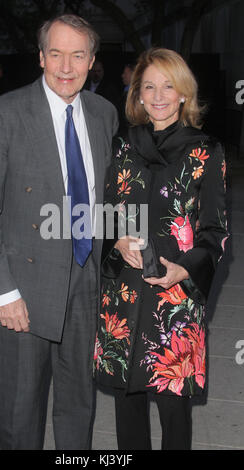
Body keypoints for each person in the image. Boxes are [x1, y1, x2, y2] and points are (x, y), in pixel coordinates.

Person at [0, 14, 118, 450]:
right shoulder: (5, 114)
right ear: (40, 58)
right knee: (19, 407)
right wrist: (3, 293)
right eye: (56, 54)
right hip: (25, 288)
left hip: (86, 278)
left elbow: (104, 195)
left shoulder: (104, 114)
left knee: (78, 401)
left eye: (77, 55)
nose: (66, 67)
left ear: (92, 61)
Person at [94, 47, 228, 450]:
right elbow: (105, 210)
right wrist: (116, 236)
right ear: (136, 94)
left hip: (175, 294)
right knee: (127, 400)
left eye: (168, 86)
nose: (157, 95)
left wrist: (184, 271)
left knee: (173, 407)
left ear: (184, 93)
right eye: (148, 86)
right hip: (124, 290)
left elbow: (215, 231)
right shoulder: (123, 146)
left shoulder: (205, 150)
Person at [118, 63, 135, 135]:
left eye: (125, 73)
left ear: (133, 74)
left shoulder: (136, 95)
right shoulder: (125, 91)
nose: (122, 76)